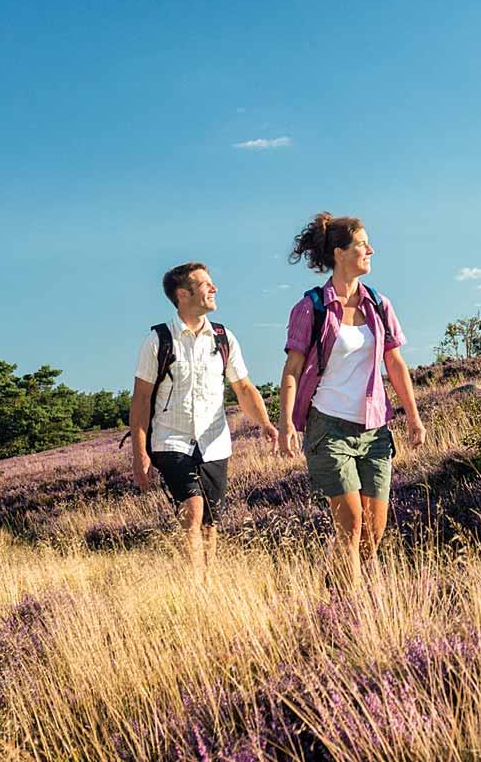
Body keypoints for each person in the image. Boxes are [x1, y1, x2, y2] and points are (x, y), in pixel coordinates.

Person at [276, 213, 426, 595]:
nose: (370, 250)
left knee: (373, 532)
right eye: (363, 244)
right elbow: (292, 368)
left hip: (375, 429)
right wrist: (286, 424)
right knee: (351, 523)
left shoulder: (378, 303)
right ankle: (351, 608)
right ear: (341, 253)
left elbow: (394, 362)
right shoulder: (312, 307)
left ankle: (333, 588)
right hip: (329, 428)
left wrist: (413, 416)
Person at [129, 261, 278, 570]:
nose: (214, 288)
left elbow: (243, 387)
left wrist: (265, 423)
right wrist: (139, 452)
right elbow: (141, 400)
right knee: (193, 508)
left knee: (210, 520)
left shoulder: (223, 338)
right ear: (183, 294)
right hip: (170, 439)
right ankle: (193, 581)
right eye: (206, 284)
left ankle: (206, 580)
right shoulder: (158, 341)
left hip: (214, 443)